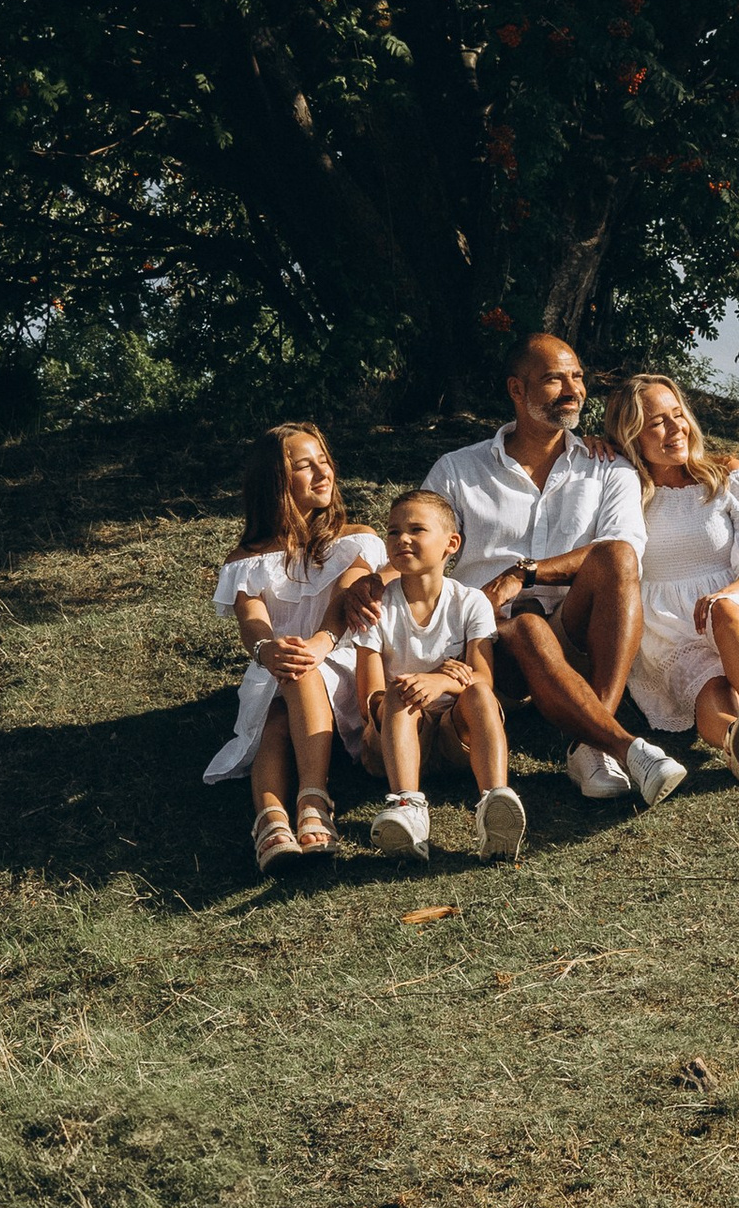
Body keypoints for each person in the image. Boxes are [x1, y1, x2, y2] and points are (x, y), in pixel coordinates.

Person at [413, 333, 687, 810]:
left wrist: (525, 572)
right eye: (554, 379)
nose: (572, 389)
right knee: (525, 626)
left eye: (577, 377)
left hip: (573, 632)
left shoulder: (608, 467)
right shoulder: (458, 469)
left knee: (618, 557)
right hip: (486, 642)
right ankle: (617, 745)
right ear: (517, 390)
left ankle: (589, 746)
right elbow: (417, 544)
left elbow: (626, 547)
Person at [606, 371, 739, 781]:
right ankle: (737, 740)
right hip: (668, 625)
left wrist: (725, 594)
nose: (675, 428)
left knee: (726, 611)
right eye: (657, 423)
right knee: (710, 687)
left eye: (678, 414)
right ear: (631, 436)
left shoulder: (728, 477)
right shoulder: (625, 489)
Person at [206, 422, 384, 868]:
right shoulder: (246, 559)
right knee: (279, 709)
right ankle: (274, 820)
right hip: (277, 665)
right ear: (275, 480)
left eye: (324, 461)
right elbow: (252, 622)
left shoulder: (354, 539)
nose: (323, 473)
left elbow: (345, 597)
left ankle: (311, 799)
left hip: (341, 658)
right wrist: (267, 650)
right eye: (306, 466)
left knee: (300, 670)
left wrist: (319, 643)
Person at [349, 489, 527, 865]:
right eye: (393, 531)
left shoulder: (470, 602)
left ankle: (495, 802)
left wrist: (442, 683)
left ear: (451, 543)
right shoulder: (377, 607)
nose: (402, 539)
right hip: (392, 741)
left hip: (454, 739)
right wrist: (423, 681)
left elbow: (483, 678)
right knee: (397, 694)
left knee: (479, 695)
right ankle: (407, 806)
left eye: (416, 529)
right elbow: (369, 700)